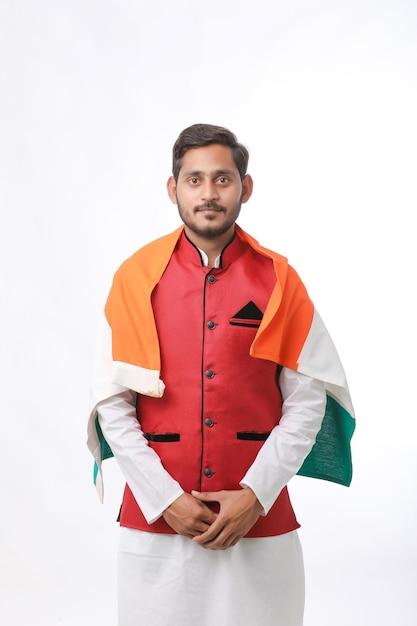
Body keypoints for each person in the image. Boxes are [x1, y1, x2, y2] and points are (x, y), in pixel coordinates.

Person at [87, 123, 355, 626]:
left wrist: (255, 496)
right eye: (194, 180)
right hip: (156, 528)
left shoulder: (280, 280)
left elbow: (307, 401)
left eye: (223, 179)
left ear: (245, 188)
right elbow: (112, 402)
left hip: (259, 527)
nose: (208, 193)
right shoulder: (135, 278)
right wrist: (166, 498)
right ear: (174, 189)